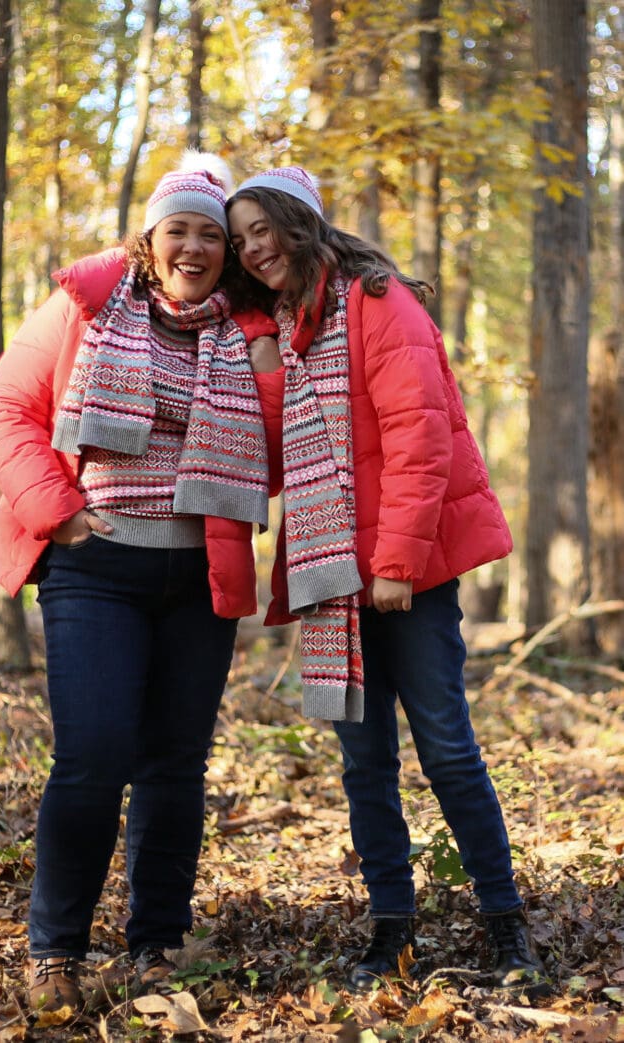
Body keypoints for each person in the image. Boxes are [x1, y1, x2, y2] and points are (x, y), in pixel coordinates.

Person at [226, 167, 551, 996]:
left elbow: (421, 436)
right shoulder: (290, 327)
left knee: (446, 749)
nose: (253, 248)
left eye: (263, 229)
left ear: (300, 223)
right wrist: (263, 358)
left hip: (405, 576)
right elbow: (275, 452)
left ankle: (505, 918)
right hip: (333, 580)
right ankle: (391, 926)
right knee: (363, 763)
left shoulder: (376, 300)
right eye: (240, 239)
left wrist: (398, 564)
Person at [0, 154, 276, 1013]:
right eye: (177, 228)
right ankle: (56, 950)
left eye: (210, 234)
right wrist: (57, 511)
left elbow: (288, 447)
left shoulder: (250, 329)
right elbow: (4, 407)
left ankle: (157, 945)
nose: (193, 246)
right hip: (95, 565)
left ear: (228, 249)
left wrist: (261, 360)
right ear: (150, 238)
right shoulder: (86, 306)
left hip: (201, 569)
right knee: (94, 756)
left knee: (176, 764)